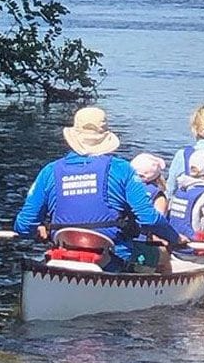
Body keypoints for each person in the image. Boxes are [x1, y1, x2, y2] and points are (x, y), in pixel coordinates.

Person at [14, 107, 186, 270]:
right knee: (163, 255)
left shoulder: (49, 171)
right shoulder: (122, 169)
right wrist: (175, 238)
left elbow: (23, 225)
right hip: (115, 258)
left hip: (63, 253)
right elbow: (149, 218)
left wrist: (36, 230)